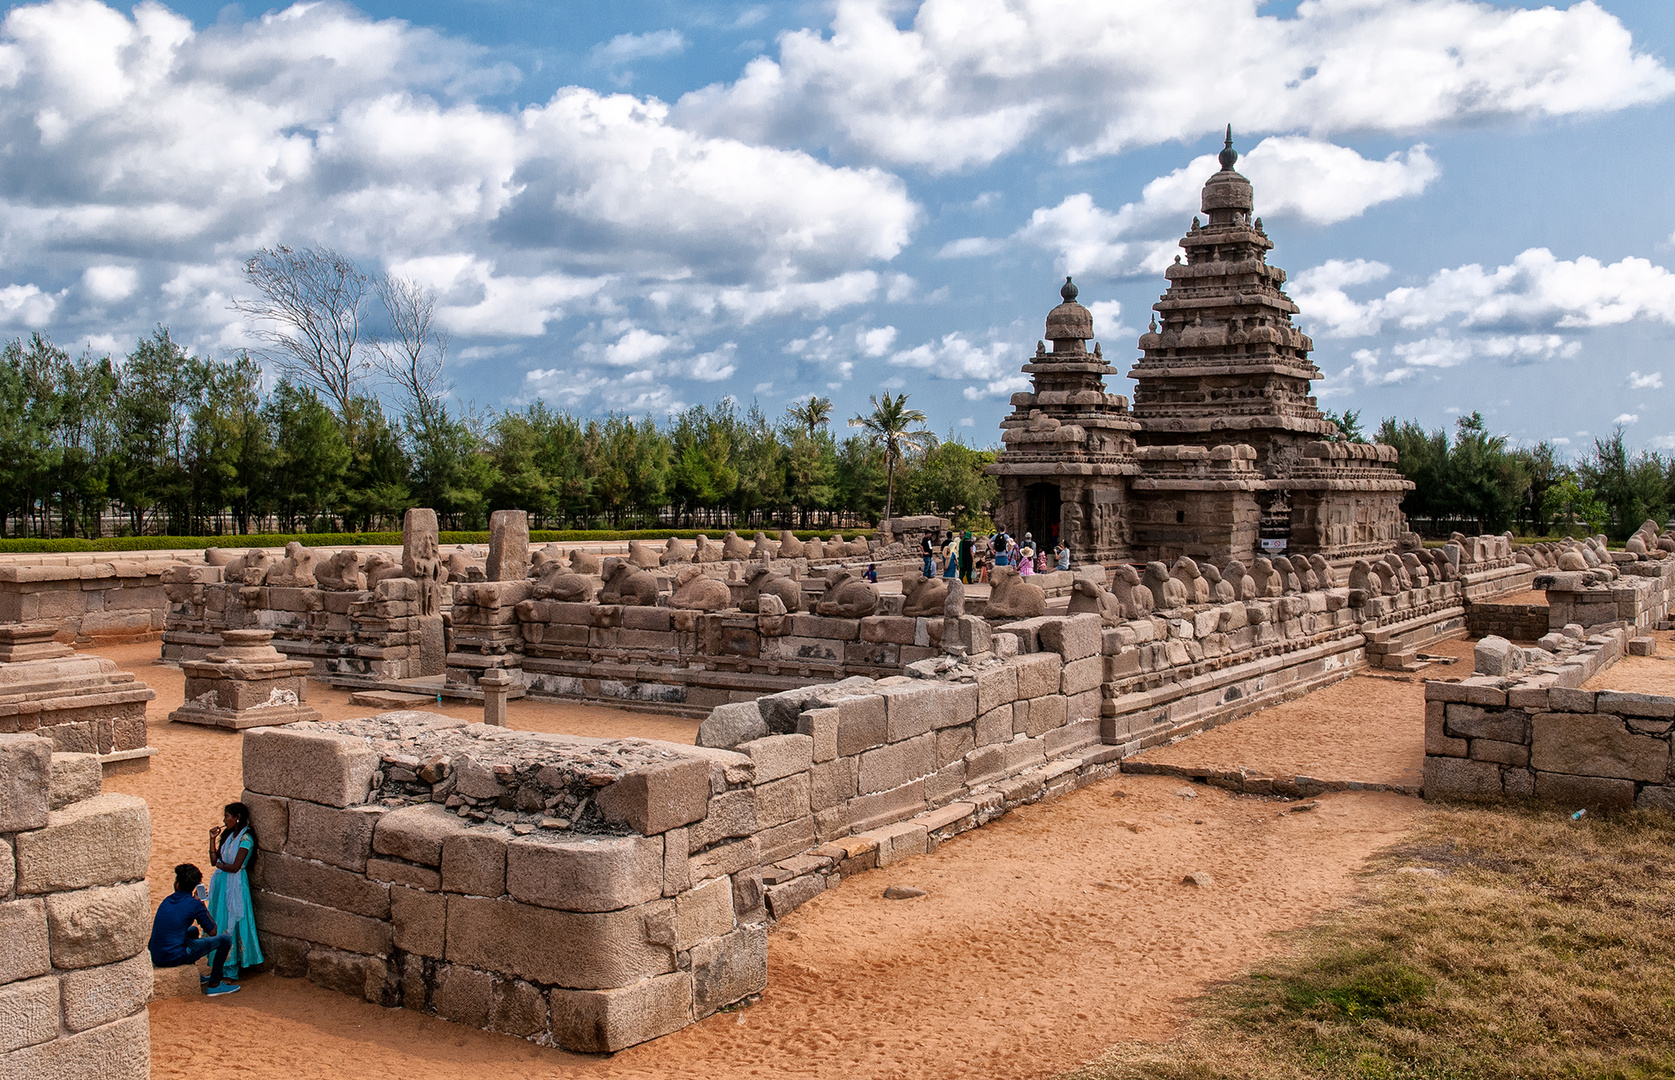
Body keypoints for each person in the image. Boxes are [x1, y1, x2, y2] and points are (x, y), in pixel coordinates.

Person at [149, 863, 240, 996]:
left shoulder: (167, 900)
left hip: (157, 954)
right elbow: (213, 931)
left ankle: (197, 975)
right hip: (173, 956)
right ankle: (214, 984)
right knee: (225, 940)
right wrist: (201, 904)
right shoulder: (194, 904)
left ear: (177, 884)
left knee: (192, 930)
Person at [208, 802, 264, 981]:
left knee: (232, 921)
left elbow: (235, 867)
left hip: (235, 885)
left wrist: (219, 865)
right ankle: (220, 965)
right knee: (221, 918)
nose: (225, 819)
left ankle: (231, 968)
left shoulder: (246, 839)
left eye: (227, 816)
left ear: (237, 817)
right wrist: (212, 840)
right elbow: (214, 859)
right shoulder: (228, 836)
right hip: (223, 884)